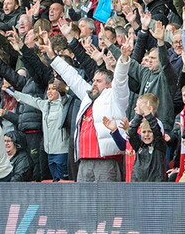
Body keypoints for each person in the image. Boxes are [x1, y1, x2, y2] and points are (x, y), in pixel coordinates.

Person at [50, 44, 131, 182]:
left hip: (106, 160)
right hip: (84, 159)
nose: (93, 84)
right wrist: (52, 56)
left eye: (98, 81)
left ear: (109, 85)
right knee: (85, 202)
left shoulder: (115, 96)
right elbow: (72, 77)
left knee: (106, 201)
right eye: (93, 80)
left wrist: (123, 59)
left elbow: (121, 80)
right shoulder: (88, 97)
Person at [6, 78, 70, 181]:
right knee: (55, 181)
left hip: (62, 151)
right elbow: (29, 99)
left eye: (53, 89)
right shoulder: (45, 104)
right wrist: (10, 91)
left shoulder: (65, 103)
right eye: (48, 89)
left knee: (63, 182)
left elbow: (67, 93)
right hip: (49, 152)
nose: (49, 91)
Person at [126, 94, 167, 182]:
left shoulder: (159, 146)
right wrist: (138, 115)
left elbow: (156, 130)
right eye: (144, 132)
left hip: (156, 184)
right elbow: (132, 132)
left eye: (149, 132)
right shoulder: (139, 146)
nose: (146, 135)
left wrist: (147, 113)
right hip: (138, 183)